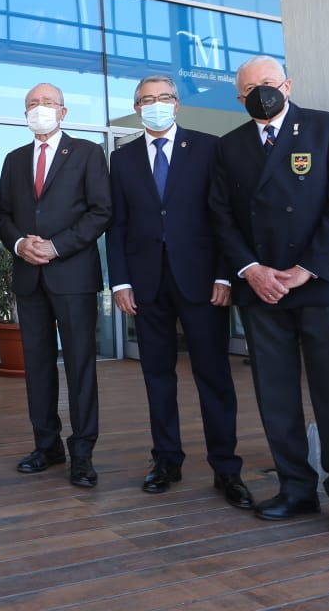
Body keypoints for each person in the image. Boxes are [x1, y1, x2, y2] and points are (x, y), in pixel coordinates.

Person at [208, 55, 329, 546]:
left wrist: (308, 267)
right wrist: (251, 270)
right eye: (250, 88)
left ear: (287, 84)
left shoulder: (327, 128)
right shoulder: (229, 147)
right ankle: (296, 488)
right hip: (263, 289)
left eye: (269, 82)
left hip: (326, 284)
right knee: (276, 396)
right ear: (239, 98)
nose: (261, 92)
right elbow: (221, 216)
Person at [107, 74, 253, 508]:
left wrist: (226, 275)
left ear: (176, 104)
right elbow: (118, 224)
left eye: (163, 98)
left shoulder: (209, 148)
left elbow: (225, 217)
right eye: (146, 100)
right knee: (157, 377)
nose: (155, 104)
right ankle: (166, 459)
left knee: (214, 376)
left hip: (204, 282)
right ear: (137, 108)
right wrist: (120, 280)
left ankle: (226, 468)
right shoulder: (124, 157)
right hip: (147, 283)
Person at [0, 83, 110, 488]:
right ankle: (46, 446)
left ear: (63, 111)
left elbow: (101, 211)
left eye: (47, 103)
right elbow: (2, 215)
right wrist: (19, 242)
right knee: (37, 366)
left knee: (80, 366)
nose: (39, 109)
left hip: (73, 276)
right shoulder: (13, 159)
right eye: (32, 104)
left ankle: (82, 453)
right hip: (29, 276)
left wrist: (57, 246)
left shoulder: (88, 154)